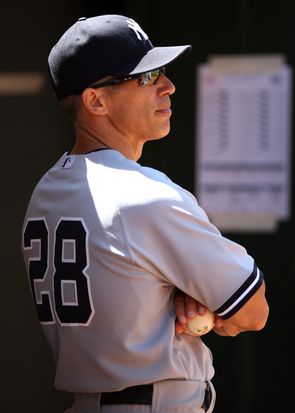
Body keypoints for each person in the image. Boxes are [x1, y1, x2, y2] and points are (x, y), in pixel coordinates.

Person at [21, 14, 269, 413]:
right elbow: (253, 311)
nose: (168, 86)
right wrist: (197, 299)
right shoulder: (141, 193)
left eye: (161, 72)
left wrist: (177, 292)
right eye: (146, 77)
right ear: (96, 101)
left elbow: (124, 275)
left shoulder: (46, 192)